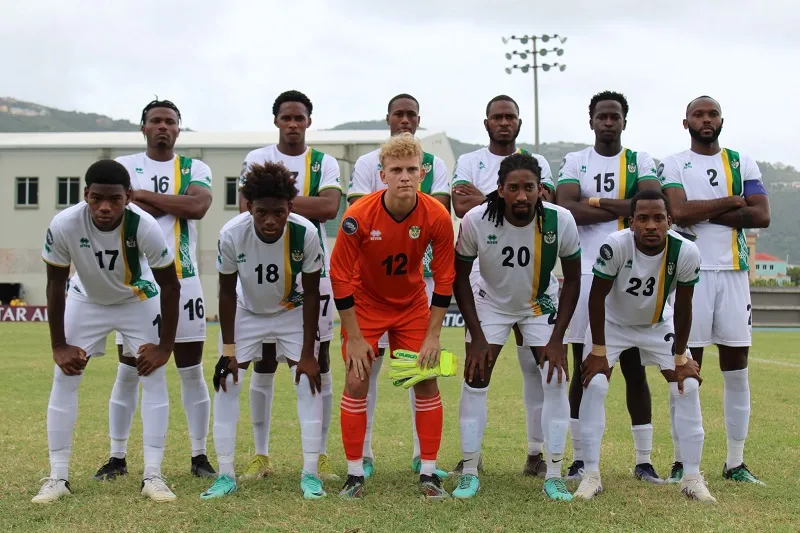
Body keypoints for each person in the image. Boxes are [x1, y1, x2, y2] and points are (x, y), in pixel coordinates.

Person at [33, 160, 181, 503]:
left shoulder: (144, 226)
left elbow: (171, 286)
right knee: (65, 376)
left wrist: (165, 347)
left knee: (153, 375)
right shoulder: (64, 224)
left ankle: (153, 476)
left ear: (128, 196)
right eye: (97, 197)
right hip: (86, 300)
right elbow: (55, 284)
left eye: (114, 199)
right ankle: (57, 477)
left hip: (136, 299)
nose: (104, 207)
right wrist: (58, 345)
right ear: (86, 194)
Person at [94, 99, 215, 481]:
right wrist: (168, 204)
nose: (163, 126)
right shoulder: (124, 167)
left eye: (170, 122)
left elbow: (196, 207)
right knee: (129, 370)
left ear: (179, 129)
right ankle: (117, 456)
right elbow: (117, 210)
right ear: (143, 128)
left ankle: (199, 456)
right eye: (155, 121)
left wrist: (140, 196)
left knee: (191, 369)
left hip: (184, 277)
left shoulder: (195, 167)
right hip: (138, 283)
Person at [330, 133, 455, 499]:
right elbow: (340, 277)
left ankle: (429, 474)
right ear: (382, 175)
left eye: (411, 169)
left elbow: (445, 277)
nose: (404, 176)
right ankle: (354, 474)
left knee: (426, 378)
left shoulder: (435, 214)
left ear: (423, 173)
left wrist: (433, 335)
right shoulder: (358, 216)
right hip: (366, 304)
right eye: (396, 169)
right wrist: (354, 337)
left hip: (412, 304)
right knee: (357, 379)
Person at [452, 153, 581, 500]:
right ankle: (468, 470)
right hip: (490, 302)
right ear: (499, 190)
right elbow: (460, 279)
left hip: (539, 304)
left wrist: (557, 339)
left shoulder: (560, 220)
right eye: (514, 188)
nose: (522, 196)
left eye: (529, 188)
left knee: (555, 378)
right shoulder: (476, 220)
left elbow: (572, 280)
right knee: (475, 376)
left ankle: (553, 473)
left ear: (541, 189)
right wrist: (477, 335)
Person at [575, 189, 715, 503]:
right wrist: (598, 352)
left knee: (688, 385)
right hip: (612, 324)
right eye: (642, 218)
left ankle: (692, 476)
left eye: (658, 218)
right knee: (595, 384)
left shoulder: (687, 251)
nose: (650, 225)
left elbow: (683, 307)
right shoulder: (615, 246)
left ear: (670, 221)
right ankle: (591, 475)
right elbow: (596, 298)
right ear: (632, 222)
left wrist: (681, 356)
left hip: (657, 324)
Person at [660, 96, 770, 485]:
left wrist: (701, 209)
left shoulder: (742, 162)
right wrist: (730, 201)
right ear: (685, 121)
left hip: (734, 273)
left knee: (737, 369)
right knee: (687, 366)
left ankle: (735, 463)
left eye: (712, 114)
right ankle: (679, 461)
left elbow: (762, 215)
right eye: (698, 114)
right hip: (691, 272)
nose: (705, 120)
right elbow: (679, 212)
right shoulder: (674, 163)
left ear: (721, 120)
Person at [200, 162, 326, 499]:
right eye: (261, 213)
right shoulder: (231, 233)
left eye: (278, 212)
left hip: (290, 310)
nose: (270, 220)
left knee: (308, 382)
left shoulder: (306, 234)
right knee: (226, 382)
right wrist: (228, 350)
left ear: (290, 208)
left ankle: (310, 473)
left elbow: (312, 293)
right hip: (247, 313)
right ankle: (225, 474)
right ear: (249, 208)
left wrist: (307, 355)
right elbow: (226, 292)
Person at [556, 91, 663, 482]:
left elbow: (652, 201)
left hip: (633, 272)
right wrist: (625, 204)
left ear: (623, 121)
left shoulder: (641, 160)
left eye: (614, 116)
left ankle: (644, 460)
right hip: (584, 274)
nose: (608, 122)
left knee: (635, 369)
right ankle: (580, 458)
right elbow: (567, 208)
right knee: (584, 366)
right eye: (601, 116)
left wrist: (596, 201)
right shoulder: (575, 160)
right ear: (591, 120)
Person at [238, 90, 342, 481]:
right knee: (264, 361)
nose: (293, 124)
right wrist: (291, 203)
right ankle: (260, 456)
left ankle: (321, 455)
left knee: (320, 358)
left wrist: (278, 202)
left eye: (300, 118)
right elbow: (246, 209)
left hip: (312, 268)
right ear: (277, 121)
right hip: (265, 266)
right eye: (287, 117)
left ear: (309, 121)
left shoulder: (324, 162)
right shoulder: (256, 158)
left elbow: (330, 209)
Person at [450, 94, 555, 477]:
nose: (504, 122)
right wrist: (513, 197)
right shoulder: (469, 160)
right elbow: (461, 206)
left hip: (532, 275)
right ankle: (470, 456)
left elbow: (546, 201)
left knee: (535, 368)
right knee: (478, 363)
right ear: (487, 122)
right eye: (498, 116)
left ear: (520, 122)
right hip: (483, 273)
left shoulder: (539, 161)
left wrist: (493, 199)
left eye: (511, 116)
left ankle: (535, 452)